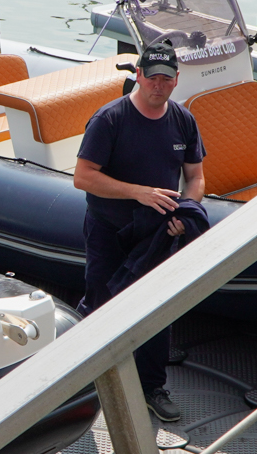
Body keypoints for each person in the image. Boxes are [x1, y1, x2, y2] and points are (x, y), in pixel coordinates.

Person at [73, 41, 207, 422]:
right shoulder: (110, 119)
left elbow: (195, 176)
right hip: (109, 228)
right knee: (101, 301)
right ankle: (85, 379)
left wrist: (187, 210)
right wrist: (139, 193)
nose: (158, 86)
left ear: (177, 80)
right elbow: (83, 178)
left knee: (156, 309)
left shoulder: (183, 119)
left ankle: (152, 386)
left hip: (158, 232)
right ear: (138, 76)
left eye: (167, 79)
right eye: (152, 78)